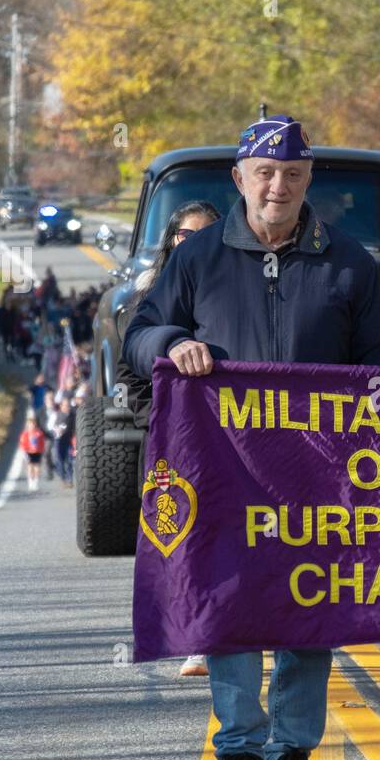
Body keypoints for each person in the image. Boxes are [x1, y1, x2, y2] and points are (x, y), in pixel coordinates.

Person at [124, 113, 380, 760]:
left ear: (309, 180)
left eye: (292, 175)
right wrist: (170, 341)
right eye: (265, 173)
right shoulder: (198, 259)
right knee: (233, 610)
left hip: (319, 474)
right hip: (226, 474)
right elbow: (137, 336)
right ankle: (239, 755)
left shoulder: (347, 261)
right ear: (240, 179)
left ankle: (295, 754)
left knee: (310, 611)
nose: (278, 186)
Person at [113, 200, 223, 678]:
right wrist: (164, 421)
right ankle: (197, 641)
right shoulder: (148, 301)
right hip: (175, 448)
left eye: (206, 234)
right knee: (182, 538)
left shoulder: (232, 293)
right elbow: (129, 378)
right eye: (186, 235)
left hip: (232, 444)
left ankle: (243, 629)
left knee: (230, 538)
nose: (194, 243)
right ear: (172, 240)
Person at [49, 397, 75, 487]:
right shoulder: (56, 415)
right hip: (59, 441)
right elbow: (50, 427)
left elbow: (75, 427)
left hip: (69, 440)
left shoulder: (72, 415)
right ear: (61, 406)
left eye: (69, 405)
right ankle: (63, 479)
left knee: (70, 460)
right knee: (60, 460)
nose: (68, 407)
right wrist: (57, 431)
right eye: (66, 405)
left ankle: (70, 480)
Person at [19, 414, 47, 491]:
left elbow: (42, 442)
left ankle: (36, 482)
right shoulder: (25, 434)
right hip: (28, 452)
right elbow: (22, 443)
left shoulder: (39, 433)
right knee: (30, 467)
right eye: (30, 425)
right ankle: (30, 482)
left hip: (37, 452)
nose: (32, 426)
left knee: (37, 468)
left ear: (35, 425)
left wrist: (42, 450)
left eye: (33, 424)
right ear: (27, 425)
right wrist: (24, 451)